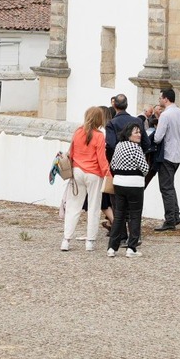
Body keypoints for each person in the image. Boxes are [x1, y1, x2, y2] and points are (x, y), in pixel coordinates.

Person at [60, 105, 109, 252]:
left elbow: (71, 153)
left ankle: (66, 240)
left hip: (77, 171)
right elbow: (101, 158)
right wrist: (108, 173)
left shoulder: (78, 132)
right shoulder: (99, 135)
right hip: (93, 173)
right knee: (94, 207)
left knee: (73, 207)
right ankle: (90, 241)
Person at [106, 121, 149, 258]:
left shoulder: (119, 146)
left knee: (119, 215)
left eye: (139, 132)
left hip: (119, 183)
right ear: (129, 134)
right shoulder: (136, 148)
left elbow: (112, 164)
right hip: (134, 184)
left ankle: (112, 247)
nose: (139, 135)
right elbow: (145, 168)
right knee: (135, 215)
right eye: (136, 132)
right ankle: (131, 247)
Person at [149, 85, 180, 232]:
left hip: (167, 154)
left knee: (166, 188)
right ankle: (175, 215)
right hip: (177, 154)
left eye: (160, 98)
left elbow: (158, 138)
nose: (159, 100)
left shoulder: (165, 115)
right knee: (170, 186)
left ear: (165, 99)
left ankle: (170, 219)